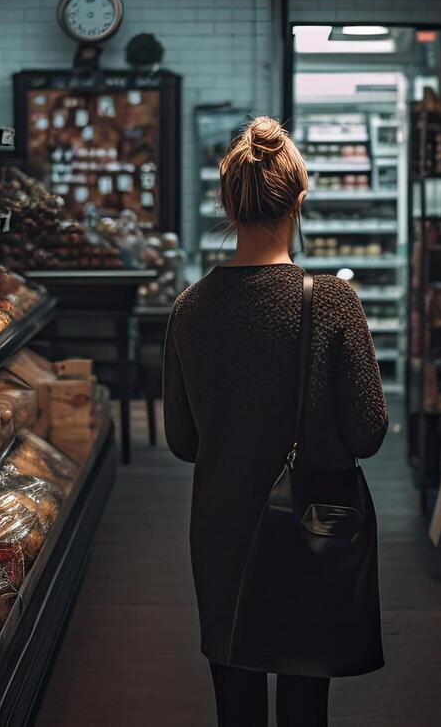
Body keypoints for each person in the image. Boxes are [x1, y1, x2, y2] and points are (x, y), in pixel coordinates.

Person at [163, 116, 388, 727]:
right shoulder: (333, 301)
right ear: (299, 201)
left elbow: (183, 442)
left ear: (228, 204)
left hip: (224, 525)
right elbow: (368, 431)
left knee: (235, 694)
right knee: (304, 697)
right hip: (310, 522)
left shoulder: (189, 309)